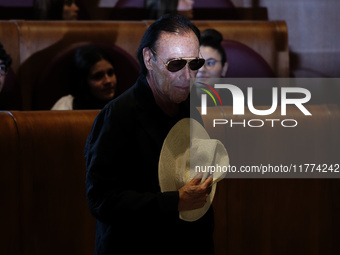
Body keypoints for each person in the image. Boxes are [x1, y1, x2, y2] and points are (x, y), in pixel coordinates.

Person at [85, 14, 215, 255]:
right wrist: (173, 201)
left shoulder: (188, 105)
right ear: (149, 59)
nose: (187, 77)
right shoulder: (117, 115)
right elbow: (101, 200)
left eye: (194, 64)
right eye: (175, 64)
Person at [51, 45, 117, 110]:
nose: (108, 81)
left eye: (110, 73)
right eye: (98, 76)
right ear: (83, 82)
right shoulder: (66, 106)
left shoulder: (122, 104)